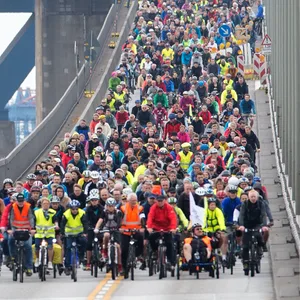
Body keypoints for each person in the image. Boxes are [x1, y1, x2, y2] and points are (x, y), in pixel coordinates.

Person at [238, 190, 268, 275]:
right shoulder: (245, 204)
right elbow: (241, 215)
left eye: (254, 197)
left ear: (257, 197)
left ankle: (259, 251)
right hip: (247, 225)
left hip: (257, 224)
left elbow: (263, 215)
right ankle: (246, 263)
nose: (253, 198)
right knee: (245, 246)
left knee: (259, 237)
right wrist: (242, 225)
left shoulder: (261, 204)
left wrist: (264, 225)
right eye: (251, 197)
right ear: (249, 197)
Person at [7, 193, 35, 276]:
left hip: (27, 230)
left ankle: (29, 267)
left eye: (22, 201)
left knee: (28, 246)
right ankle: (13, 258)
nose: (20, 203)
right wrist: (10, 230)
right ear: (16, 201)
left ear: (24, 200)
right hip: (16, 229)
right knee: (10, 240)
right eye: (19, 201)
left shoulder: (28, 207)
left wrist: (32, 229)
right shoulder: (13, 207)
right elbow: (11, 219)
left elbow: (31, 218)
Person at [147, 194, 177, 270]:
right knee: (151, 238)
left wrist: (173, 228)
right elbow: (150, 217)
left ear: (164, 201)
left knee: (169, 243)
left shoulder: (169, 207)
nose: (160, 202)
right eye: (158, 201)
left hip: (167, 228)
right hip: (156, 228)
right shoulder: (153, 207)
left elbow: (173, 219)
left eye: (161, 201)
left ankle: (170, 261)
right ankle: (154, 251)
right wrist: (149, 227)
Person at [120, 193, 145, 278]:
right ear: (128, 201)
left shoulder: (140, 208)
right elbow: (119, 219)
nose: (134, 202)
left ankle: (138, 255)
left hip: (136, 231)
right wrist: (120, 228)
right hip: (125, 231)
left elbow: (142, 218)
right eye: (132, 201)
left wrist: (143, 227)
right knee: (124, 250)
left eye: (135, 200)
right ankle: (123, 267)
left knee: (141, 239)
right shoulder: (123, 208)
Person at [60, 200, 88, 275]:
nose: (75, 210)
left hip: (79, 233)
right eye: (73, 209)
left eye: (76, 209)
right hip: (69, 234)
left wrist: (85, 233)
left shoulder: (82, 213)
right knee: (68, 248)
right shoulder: (66, 214)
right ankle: (67, 266)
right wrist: (62, 234)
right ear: (70, 209)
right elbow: (62, 225)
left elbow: (85, 223)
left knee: (84, 242)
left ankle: (82, 256)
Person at [34, 197, 59, 270]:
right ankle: (37, 259)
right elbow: (33, 221)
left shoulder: (52, 212)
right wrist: (32, 228)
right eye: (44, 204)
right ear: (41, 204)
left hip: (49, 233)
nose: (46, 205)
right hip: (39, 233)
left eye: (47, 204)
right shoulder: (37, 212)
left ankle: (50, 262)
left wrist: (56, 225)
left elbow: (55, 220)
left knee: (50, 246)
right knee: (36, 246)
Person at [84, 189, 104, 271]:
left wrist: (101, 227)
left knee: (102, 240)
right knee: (89, 245)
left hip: (100, 228)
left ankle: (102, 256)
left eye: (96, 200)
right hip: (91, 228)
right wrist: (88, 228)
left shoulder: (102, 208)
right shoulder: (88, 209)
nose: (94, 202)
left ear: (98, 200)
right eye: (92, 200)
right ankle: (88, 262)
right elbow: (86, 220)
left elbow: (103, 218)